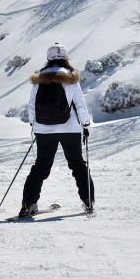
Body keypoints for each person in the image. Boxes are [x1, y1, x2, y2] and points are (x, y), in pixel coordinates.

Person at [19, 43, 94, 216]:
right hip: (70, 128)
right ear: (66, 58)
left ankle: (28, 204)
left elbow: (32, 104)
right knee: (77, 165)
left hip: (44, 130)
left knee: (40, 167)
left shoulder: (39, 77)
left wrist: (33, 124)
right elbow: (79, 103)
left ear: (48, 58)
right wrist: (85, 124)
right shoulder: (70, 76)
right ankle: (88, 202)